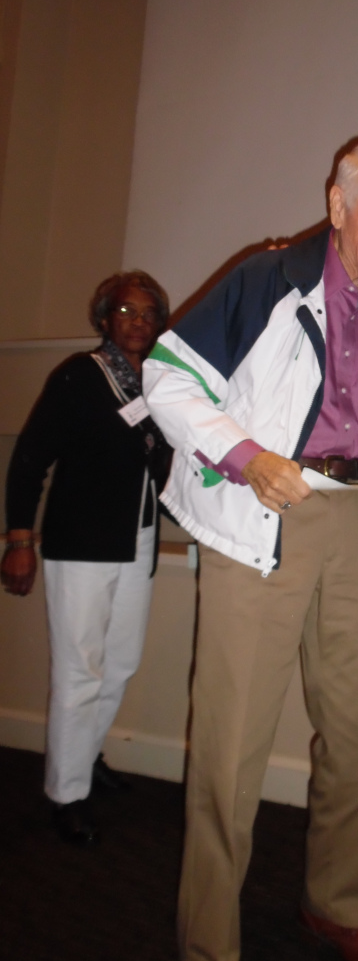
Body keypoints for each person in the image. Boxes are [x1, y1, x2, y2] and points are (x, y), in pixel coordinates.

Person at [142, 139, 358, 961]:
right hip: (265, 511)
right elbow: (165, 378)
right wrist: (246, 456)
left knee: (355, 734)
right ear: (337, 206)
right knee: (231, 751)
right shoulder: (264, 280)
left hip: (355, 518)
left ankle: (338, 906)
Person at [1, 271, 171, 844]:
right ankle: (66, 793)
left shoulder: (160, 382)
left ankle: (85, 755)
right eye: (126, 311)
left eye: (148, 314)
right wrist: (19, 540)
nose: (138, 322)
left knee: (120, 663)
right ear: (103, 319)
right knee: (80, 671)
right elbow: (30, 458)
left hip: (137, 541)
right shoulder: (80, 375)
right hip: (81, 543)